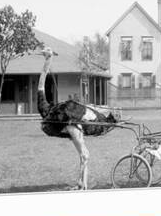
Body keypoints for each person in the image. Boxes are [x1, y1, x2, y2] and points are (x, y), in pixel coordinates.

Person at [36, 48, 117, 190]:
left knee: (84, 154)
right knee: (82, 152)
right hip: (78, 120)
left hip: (82, 121)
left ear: (50, 55)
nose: (43, 51)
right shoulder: (54, 113)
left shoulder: (61, 112)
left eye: (47, 51)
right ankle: (82, 183)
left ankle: (83, 184)